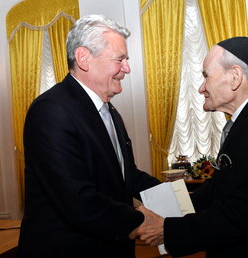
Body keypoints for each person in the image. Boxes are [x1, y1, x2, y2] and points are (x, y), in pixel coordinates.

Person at [131, 37, 248, 257]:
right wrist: (170, 208)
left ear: (235, 77)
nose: (202, 88)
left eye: (206, 76)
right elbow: (218, 190)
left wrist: (168, 230)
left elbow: (244, 214)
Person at [17, 15, 161, 257]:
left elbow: (127, 175)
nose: (127, 68)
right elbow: (77, 200)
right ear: (84, 58)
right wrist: (141, 221)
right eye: (120, 59)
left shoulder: (110, 111)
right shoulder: (51, 111)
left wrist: (178, 199)